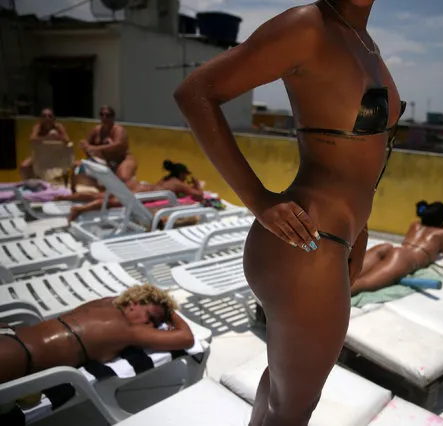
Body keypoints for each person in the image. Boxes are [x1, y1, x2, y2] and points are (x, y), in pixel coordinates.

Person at [173, 1, 405, 425]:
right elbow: (195, 93)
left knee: (283, 392)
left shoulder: (362, 42)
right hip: (307, 243)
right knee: (295, 409)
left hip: (333, 240)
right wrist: (259, 200)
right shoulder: (308, 26)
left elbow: (359, 159)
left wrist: (362, 231)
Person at [0, 284, 194, 385]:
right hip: (18, 355)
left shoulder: (102, 304)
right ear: (134, 302)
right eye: (151, 317)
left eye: (155, 323)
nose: (149, 325)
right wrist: (169, 312)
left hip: (11, 333)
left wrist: (155, 303)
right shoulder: (129, 329)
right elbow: (186, 337)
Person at [351, 201, 443, 295]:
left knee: (350, 273)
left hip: (390, 249)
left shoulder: (415, 224)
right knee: (363, 283)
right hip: (404, 258)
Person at [57, 160, 204, 222]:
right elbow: (199, 196)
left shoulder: (168, 179)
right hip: (142, 194)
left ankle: (63, 198)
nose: (187, 177)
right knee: (112, 202)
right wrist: (197, 185)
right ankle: (79, 209)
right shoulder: (178, 183)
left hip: (137, 186)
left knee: (99, 194)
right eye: (186, 174)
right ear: (182, 174)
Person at [71, 105, 138, 192]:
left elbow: (119, 145)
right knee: (77, 166)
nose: (104, 117)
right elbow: (87, 144)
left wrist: (96, 148)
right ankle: (74, 191)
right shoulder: (96, 129)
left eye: (108, 115)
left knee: (123, 179)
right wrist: (85, 145)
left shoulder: (118, 130)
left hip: (122, 160)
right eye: (102, 114)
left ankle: (140, 189)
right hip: (105, 161)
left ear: (113, 117)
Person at [20, 108, 71, 180]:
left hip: (56, 157)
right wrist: (47, 137)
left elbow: (67, 140)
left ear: (54, 118)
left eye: (50, 116)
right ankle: (29, 185)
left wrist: (57, 137)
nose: (47, 118)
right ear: (41, 119)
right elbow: (32, 139)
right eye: (44, 116)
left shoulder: (58, 127)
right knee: (24, 166)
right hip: (40, 156)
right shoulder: (38, 127)